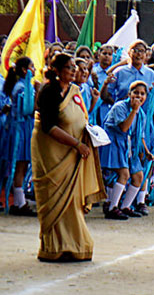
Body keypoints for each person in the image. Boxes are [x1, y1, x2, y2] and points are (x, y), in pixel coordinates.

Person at [32, 53, 106, 261]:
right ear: (56, 70)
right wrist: (76, 144)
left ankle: (74, 245)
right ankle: (54, 247)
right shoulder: (49, 92)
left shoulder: (75, 90)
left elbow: (80, 117)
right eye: (69, 67)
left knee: (73, 201)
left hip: (73, 155)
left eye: (75, 67)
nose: (74, 71)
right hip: (53, 156)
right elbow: (48, 126)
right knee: (54, 198)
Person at [101, 81, 154, 219]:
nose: (139, 96)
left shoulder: (141, 114)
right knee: (123, 174)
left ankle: (126, 206)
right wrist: (134, 110)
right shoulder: (120, 107)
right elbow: (124, 128)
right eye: (135, 93)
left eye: (142, 94)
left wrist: (147, 151)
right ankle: (112, 207)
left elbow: (140, 135)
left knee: (138, 176)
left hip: (129, 146)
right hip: (115, 143)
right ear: (129, 94)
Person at [2, 57, 37, 216]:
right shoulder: (22, 87)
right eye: (32, 66)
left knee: (23, 165)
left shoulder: (24, 85)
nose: (34, 69)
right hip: (20, 129)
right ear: (25, 70)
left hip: (24, 127)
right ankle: (19, 202)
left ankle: (19, 201)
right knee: (20, 165)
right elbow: (27, 109)